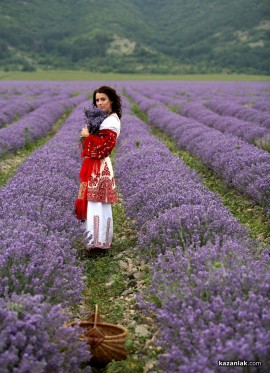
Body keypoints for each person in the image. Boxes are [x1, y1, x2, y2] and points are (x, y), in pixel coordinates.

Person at [75, 86, 122, 253]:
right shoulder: (105, 119)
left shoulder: (111, 121)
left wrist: (88, 136)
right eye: (97, 100)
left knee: (97, 203)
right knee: (93, 203)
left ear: (111, 100)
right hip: (95, 166)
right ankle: (94, 241)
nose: (100, 103)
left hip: (100, 167)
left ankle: (98, 243)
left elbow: (104, 149)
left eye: (103, 99)